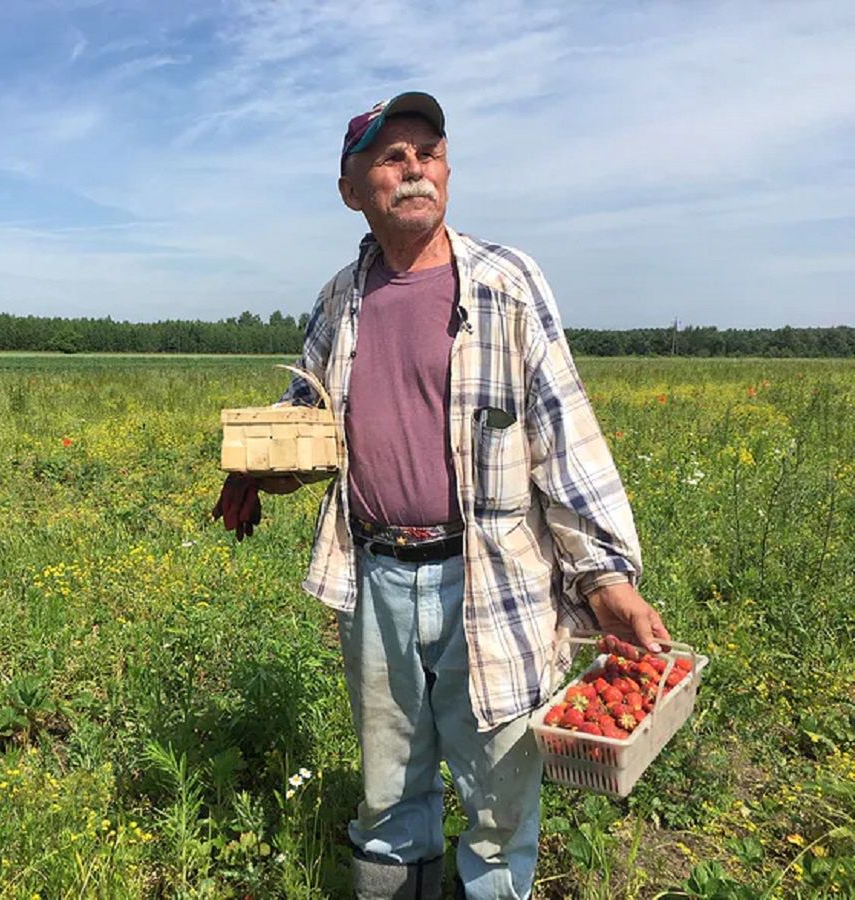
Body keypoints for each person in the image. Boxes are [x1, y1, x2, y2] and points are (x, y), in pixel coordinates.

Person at [213, 92, 670, 899]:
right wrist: (257, 466)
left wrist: (607, 579)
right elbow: (308, 419)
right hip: (376, 574)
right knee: (389, 783)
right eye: (391, 157)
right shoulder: (338, 300)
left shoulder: (507, 284)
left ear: (449, 172)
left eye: (428, 151)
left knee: (498, 787)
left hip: (488, 577)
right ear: (352, 189)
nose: (414, 167)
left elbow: (566, 436)